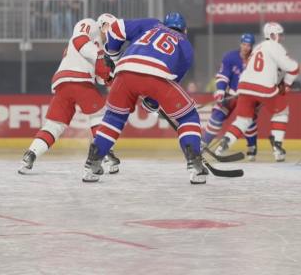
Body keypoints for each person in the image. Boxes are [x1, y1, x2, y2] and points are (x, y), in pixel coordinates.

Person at [83, 12, 208, 184]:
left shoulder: (151, 24)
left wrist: (113, 56)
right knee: (188, 116)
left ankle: (93, 163)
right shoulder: (185, 45)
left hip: (124, 72)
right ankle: (194, 162)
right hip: (156, 75)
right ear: (184, 30)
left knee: (113, 118)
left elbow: (116, 27)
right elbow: (173, 78)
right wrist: (154, 101)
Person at [19, 18, 117, 175]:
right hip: (80, 80)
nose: (110, 32)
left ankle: (30, 155)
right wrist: (101, 58)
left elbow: (101, 77)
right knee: (99, 115)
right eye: (108, 27)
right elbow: (79, 40)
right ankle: (105, 154)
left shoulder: (103, 49)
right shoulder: (90, 25)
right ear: (101, 23)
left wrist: (112, 75)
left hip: (63, 83)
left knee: (53, 126)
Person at [215, 22, 299, 162]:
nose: (281, 38)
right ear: (272, 35)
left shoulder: (256, 48)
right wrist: (287, 84)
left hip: (244, 86)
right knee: (281, 113)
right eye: (279, 35)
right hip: (264, 87)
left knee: (243, 120)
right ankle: (277, 146)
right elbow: (294, 68)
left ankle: (224, 144)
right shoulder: (275, 46)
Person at [201, 33, 259, 161]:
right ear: (240, 44)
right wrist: (221, 90)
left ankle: (252, 147)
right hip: (231, 94)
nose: (246, 47)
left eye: (248, 45)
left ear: (252, 46)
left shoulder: (256, 59)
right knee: (217, 116)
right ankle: (203, 143)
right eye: (244, 44)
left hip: (247, 96)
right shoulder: (230, 57)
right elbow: (223, 75)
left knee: (249, 121)